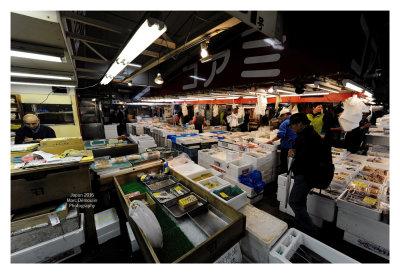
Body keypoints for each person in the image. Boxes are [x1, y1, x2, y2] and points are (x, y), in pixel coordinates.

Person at [287, 112, 326, 235]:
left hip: (305, 175)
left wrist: (294, 153)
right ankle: (299, 222)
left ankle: (309, 228)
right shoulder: (307, 133)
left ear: (299, 124)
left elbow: (307, 158)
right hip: (306, 174)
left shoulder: (307, 136)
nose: (291, 128)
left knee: (293, 201)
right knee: (300, 200)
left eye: (292, 125)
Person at [267, 108, 296, 173]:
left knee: (284, 163)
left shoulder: (285, 123)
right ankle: (291, 177)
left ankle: (283, 177)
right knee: (292, 163)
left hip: (286, 146)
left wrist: (271, 141)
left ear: (285, 115)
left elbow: (281, 135)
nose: (281, 118)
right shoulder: (296, 121)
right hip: (296, 146)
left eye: (282, 116)